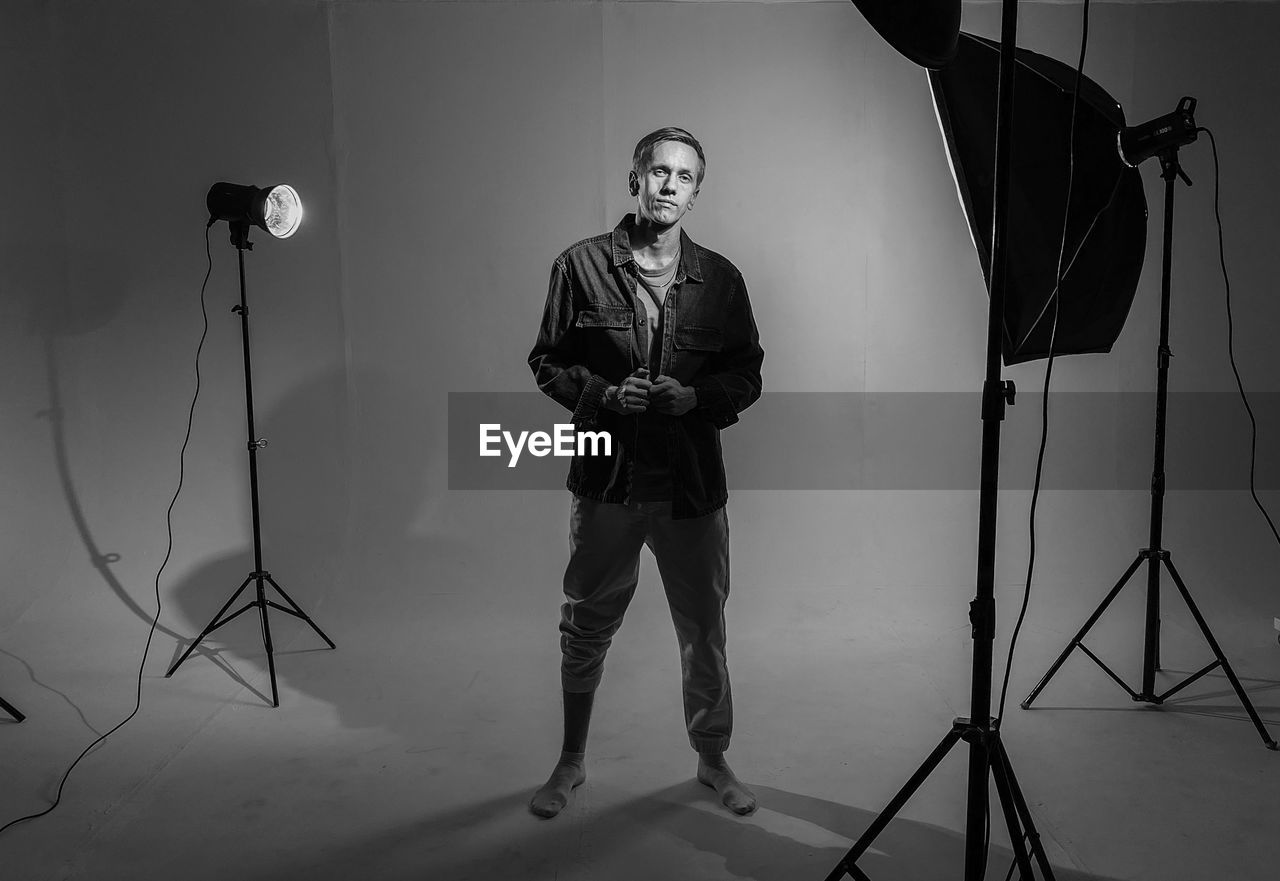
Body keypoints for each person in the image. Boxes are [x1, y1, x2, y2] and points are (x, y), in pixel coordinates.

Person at [527, 127, 764, 819]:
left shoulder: (720, 280)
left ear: (696, 191)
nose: (668, 185)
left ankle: (712, 758)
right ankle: (571, 760)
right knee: (587, 622)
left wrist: (698, 398)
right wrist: (603, 395)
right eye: (658, 171)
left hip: (691, 486)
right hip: (608, 481)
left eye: (683, 176)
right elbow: (545, 360)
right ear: (635, 179)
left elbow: (746, 372)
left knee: (703, 628)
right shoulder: (579, 266)